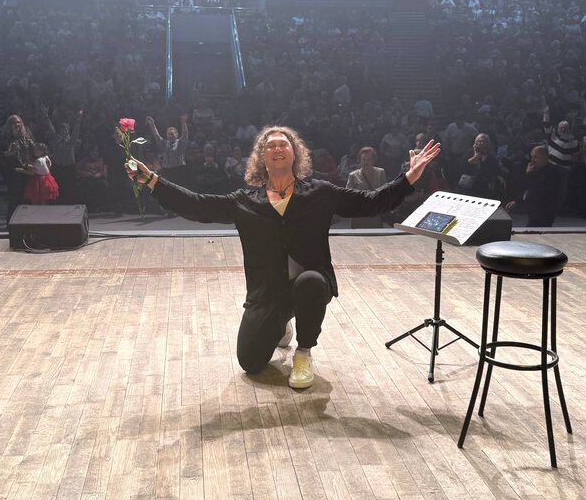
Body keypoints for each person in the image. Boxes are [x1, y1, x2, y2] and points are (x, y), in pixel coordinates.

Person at [125, 128, 441, 390]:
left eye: (284, 144)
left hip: (311, 284)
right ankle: (282, 326)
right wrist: (153, 180)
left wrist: (409, 178)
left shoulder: (319, 192)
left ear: (295, 154)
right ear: (262, 158)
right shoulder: (245, 201)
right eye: (270, 145)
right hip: (268, 293)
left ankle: (304, 352)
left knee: (310, 282)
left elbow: (372, 202)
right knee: (250, 363)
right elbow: (197, 206)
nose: (277, 148)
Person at [506, 146, 561, 228]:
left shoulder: (553, 172)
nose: (532, 160)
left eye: (535, 157)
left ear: (545, 157)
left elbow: (536, 188)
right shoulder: (536, 170)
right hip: (533, 211)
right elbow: (527, 189)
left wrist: (529, 175)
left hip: (544, 211)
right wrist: (517, 201)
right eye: (531, 157)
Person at [0, 114, 36, 217]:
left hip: (26, 170)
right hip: (13, 171)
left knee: (27, 197)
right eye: (14, 123)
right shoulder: (4, 138)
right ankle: (12, 220)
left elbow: (33, 150)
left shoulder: (26, 136)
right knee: (15, 197)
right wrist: (8, 153)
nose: (17, 125)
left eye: (19, 122)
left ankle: (25, 220)